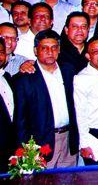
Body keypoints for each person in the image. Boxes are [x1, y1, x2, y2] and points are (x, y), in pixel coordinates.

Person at [13, 30, 79, 168]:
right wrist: (27, 150)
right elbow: (20, 120)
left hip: (69, 140)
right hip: (41, 143)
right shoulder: (24, 79)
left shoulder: (69, 70)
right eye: (44, 48)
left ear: (59, 49)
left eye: (54, 47)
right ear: (35, 50)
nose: (50, 51)